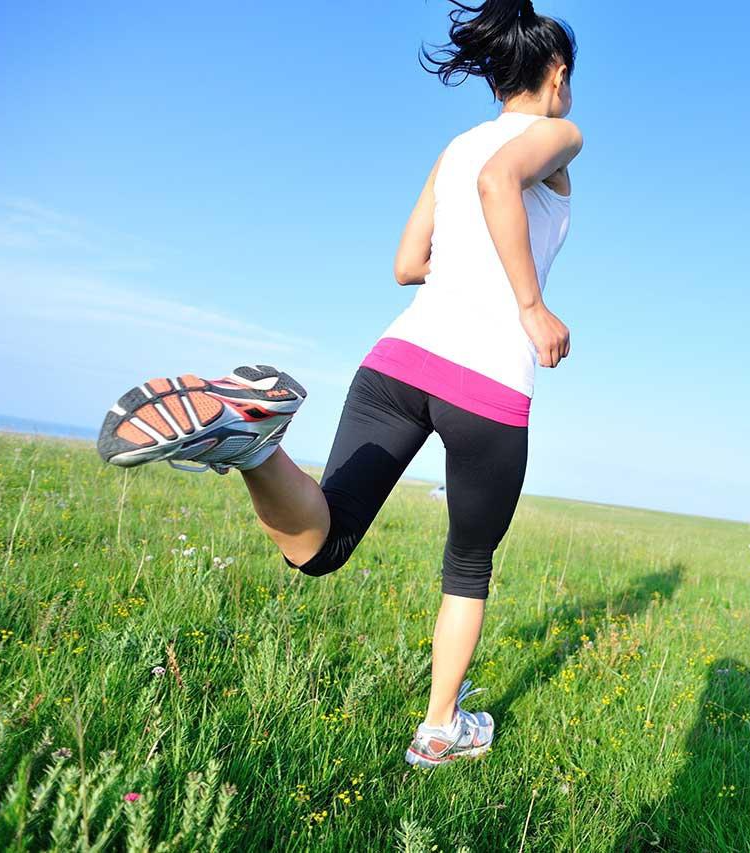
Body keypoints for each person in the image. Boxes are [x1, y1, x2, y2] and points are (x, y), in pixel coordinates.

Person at [94, 0, 581, 769]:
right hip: (487, 381)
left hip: (400, 359)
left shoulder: (455, 147)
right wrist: (528, 304)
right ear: (556, 73)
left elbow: (407, 264)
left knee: (323, 545)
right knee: (467, 564)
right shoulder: (559, 135)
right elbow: (501, 180)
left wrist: (467, 269)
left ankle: (252, 444)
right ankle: (439, 728)